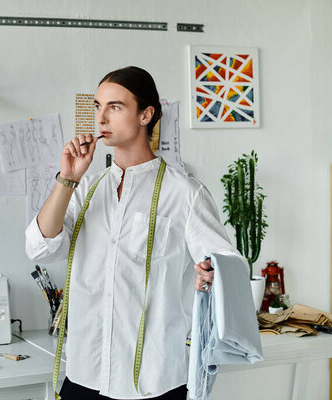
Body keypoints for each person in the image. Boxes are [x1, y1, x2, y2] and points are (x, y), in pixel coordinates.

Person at [25, 66, 242, 400]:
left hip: (153, 380)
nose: (101, 118)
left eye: (115, 107)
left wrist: (211, 274)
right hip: (85, 373)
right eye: (98, 106)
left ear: (146, 114)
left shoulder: (184, 194)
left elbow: (226, 268)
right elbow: (39, 249)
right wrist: (67, 177)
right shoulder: (85, 190)